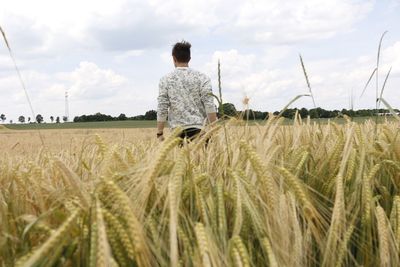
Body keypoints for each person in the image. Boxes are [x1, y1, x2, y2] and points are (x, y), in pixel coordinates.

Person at [156, 41, 217, 142]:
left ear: (173, 58)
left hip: (178, 133)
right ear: (189, 58)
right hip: (200, 133)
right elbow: (209, 104)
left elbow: (162, 107)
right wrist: (214, 130)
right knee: (202, 158)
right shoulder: (203, 78)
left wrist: (160, 132)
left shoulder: (165, 79)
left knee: (180, 158)